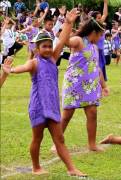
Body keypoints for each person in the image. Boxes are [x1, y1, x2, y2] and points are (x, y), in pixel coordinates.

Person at [1, 9, 86, 177]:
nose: (48, 49)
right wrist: (11, 69)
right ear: (37, 49)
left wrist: (68, 23)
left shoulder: (53, 59)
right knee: (37, 139)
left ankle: (71, 168)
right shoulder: (34, 63)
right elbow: (23, 68)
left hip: (52, 107)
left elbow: (62, 41)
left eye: (49, 46)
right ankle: (36, 166)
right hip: (38, 107)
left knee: (59, 138)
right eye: (44, 47)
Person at [56, 18, 110, 152]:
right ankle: (57, 143)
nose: (101, 38)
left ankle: (92, 144)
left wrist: (104, 86)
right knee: (67, 114)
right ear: (94, 32)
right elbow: (66, 41)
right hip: (74, 84)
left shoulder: (95, 47)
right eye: (100, 34)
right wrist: (68, 23)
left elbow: (96, 68)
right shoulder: (79, 41)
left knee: (92, 113)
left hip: (90, 85)